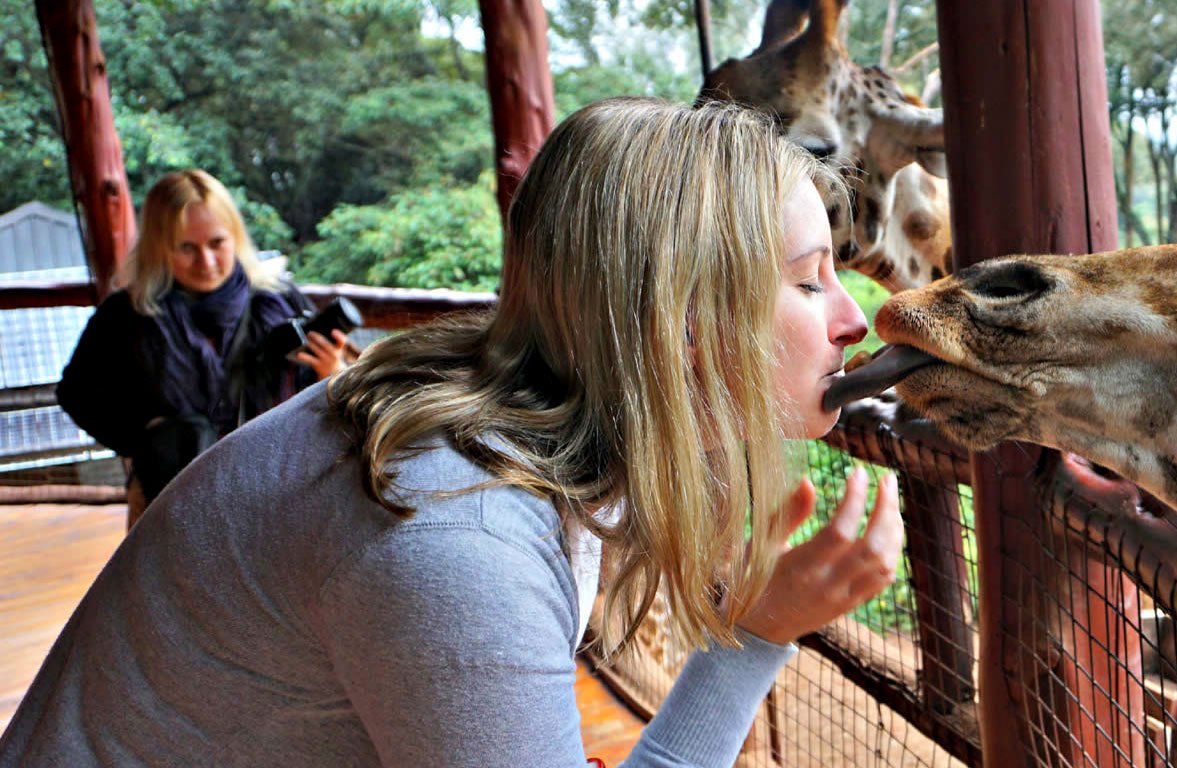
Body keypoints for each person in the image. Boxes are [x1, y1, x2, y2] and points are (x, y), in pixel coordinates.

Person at [0, 97, 903, 767]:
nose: (856, 322)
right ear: (684, 321)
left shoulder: (530, 420)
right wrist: (755, 637)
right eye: (811, 279)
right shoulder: (458, 529)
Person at [55, 169, 356, 524]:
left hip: (278, 491)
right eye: (187, 247)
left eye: (217, 243)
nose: (207, 262)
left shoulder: (277, 299)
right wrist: (148, 437)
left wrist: (332, 372)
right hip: (171, 501)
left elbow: (329, 396)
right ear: (158, 246)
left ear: (236, 237)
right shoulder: (127, 314)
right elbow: (77, 394)